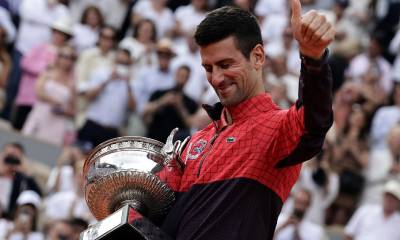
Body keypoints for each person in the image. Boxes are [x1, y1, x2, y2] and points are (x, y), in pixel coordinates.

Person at [159, 1, 335, 239]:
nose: (216, 78)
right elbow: (160, 219)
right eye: (208, 68)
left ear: (258, 57)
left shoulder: (278, 129)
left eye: (225, 65)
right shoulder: (195, 142)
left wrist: (314, 61)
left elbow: (315, 121)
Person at [0, 143, 42, 219]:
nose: (11, 160)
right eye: (8, 156)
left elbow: (37, 195)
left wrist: (27, 174)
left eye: (15, 157)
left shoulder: (22, 180)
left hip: (8, 218)